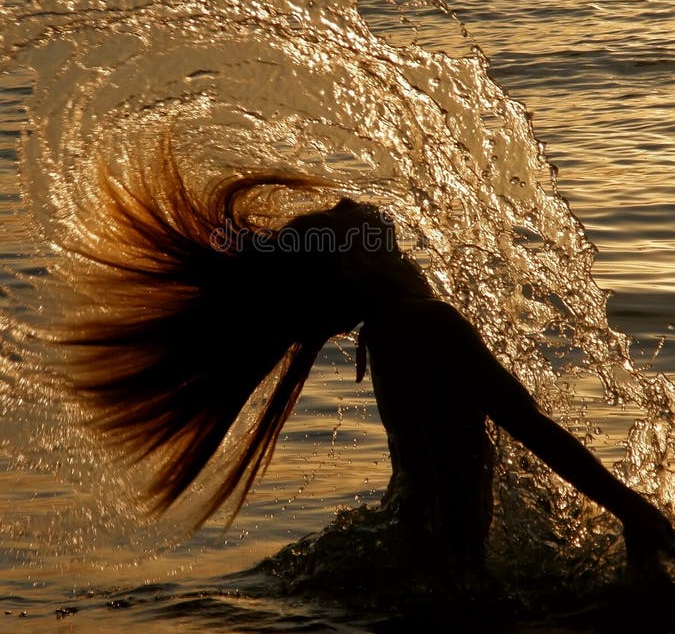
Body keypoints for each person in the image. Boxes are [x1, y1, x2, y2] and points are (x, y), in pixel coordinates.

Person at [55, 165, 675, 580]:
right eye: (336, 225)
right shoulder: (420, 324)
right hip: (444, 587)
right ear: (353, 269)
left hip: (421, 564)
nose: (349, 202)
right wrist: (633, 513)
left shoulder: (388, 331)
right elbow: (528, 425)